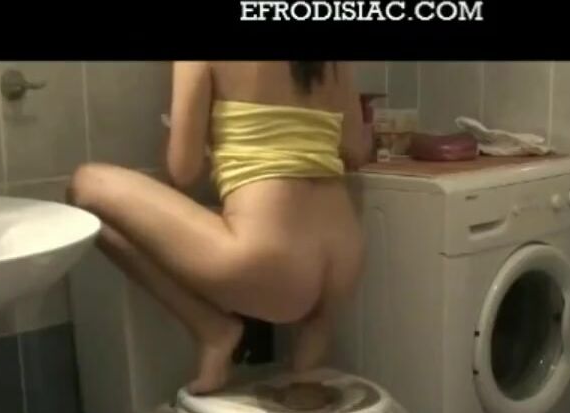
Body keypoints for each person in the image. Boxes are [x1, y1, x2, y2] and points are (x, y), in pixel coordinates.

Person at [67, 61, 371, 394]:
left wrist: (200, 129)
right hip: (345, 258)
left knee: (86, 184)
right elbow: (355, 150)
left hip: (270, 261)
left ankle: (212, 330)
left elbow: (183, 172)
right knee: (302, 395)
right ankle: (304, 378)